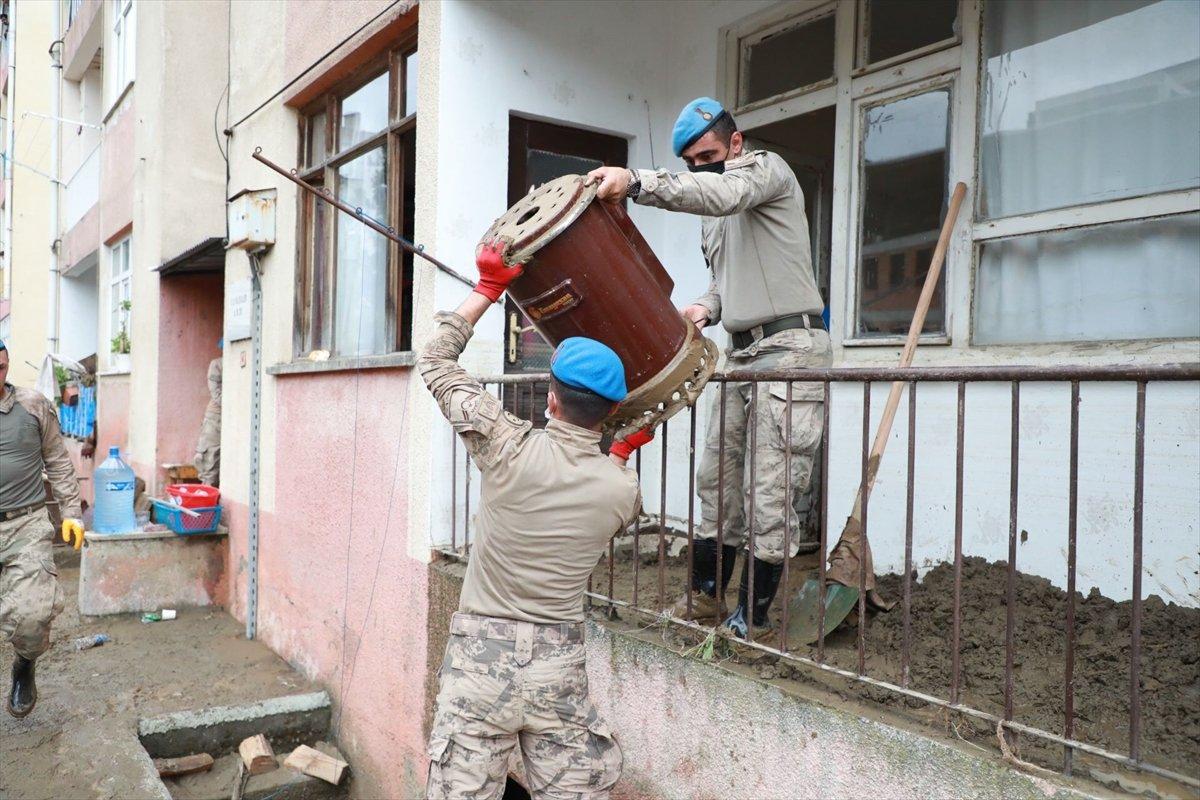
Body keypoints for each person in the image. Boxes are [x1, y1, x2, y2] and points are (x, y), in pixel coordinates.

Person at [588, 96, 832, 643]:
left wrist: (637, 182)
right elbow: (727, 280)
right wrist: (705, 307)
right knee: (716, 479)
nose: (701, 168)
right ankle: (704, 599)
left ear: (736, 143)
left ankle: (755, 618)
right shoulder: (715, 220)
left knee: (772, 489)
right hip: (741, 351)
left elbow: (725, 192)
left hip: (791, 348)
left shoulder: (766, 171)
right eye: (692, 162)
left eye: (709, 155)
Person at [421, 241, 652, 799]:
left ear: (550, 398)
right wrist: (618, 453)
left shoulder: (507, 447)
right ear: (613, 412)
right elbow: (593, 484)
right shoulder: (623, 490)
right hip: (558, 666)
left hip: (480, 661)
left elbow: (434, 362)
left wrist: (487, 289)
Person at [0, 338, 85, 718]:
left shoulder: (33, 405)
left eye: (1, 368)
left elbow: (58, 460)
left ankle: (24, 665)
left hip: (27, 523)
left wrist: (71, 512)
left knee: (34, 614)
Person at [194, 340, 222, 487]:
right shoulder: (217, 364)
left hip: (232, 417)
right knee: (210, 460)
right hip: (215, 418)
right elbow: (217, 394)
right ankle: (207, 502)